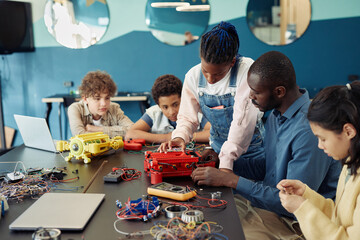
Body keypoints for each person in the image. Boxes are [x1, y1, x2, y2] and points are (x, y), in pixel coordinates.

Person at [191, 51, 341, 240]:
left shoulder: (309, 130)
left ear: (279, 91)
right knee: (209, 217)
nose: (250, 96)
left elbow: (294, 202)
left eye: (256, 92)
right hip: (271, 207)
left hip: (297, 221)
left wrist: (231, 180)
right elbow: (270, 166)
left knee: (225, 233)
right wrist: (224, 164)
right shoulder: (276, 116)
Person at [159, 21, 263, 165]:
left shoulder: (247, 71)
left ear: (232, 62)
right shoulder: (193, 76)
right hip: (218, 150)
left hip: (251, 152)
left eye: (218, 74)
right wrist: (179, 138)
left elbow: (242, 123)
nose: (210, 79)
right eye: (205, 70)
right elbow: (187, 118)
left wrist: (225, 166)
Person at [277, 81, 360, 240]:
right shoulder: (350, 162)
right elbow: (340, 217)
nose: (320, 146)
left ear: (348, 131)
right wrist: (306, 196)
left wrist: (301, 209)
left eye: (322, 138)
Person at [125, 74, 210, 143]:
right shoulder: (154, 113)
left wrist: (182, 136)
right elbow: (130, 135)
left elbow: (214, 133)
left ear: (183, 99)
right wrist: (166, 138)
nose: (172, 112)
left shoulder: (195, 111)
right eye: (165, 107)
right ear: (158, 106)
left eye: (175, 104)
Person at [68, 70, 133, 138]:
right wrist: (115, 133)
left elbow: (133, 130)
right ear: (85, 98)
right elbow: (80, 136)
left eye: (107, 98)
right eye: (97, 98)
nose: (103, 104)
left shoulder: (114, 108)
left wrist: (97, 129)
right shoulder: (75, 109)